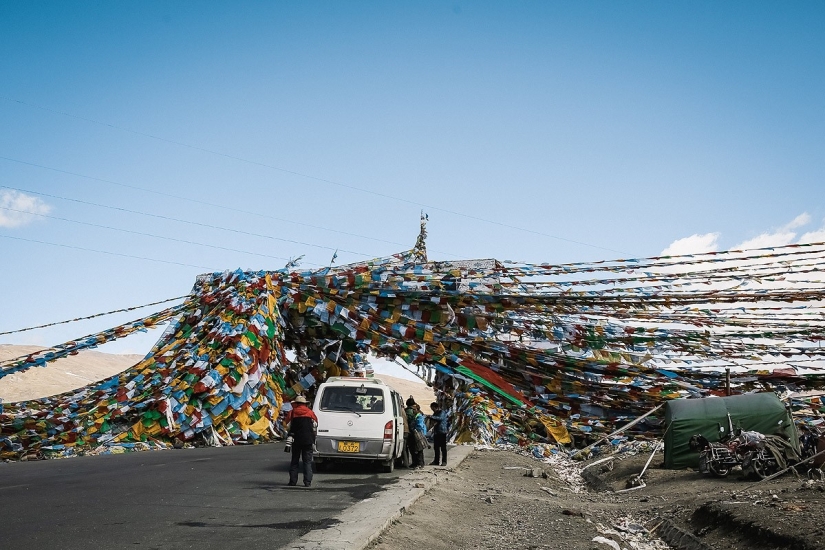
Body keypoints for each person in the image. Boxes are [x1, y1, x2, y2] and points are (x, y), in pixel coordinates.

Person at [286, 395, 318, 487]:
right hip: (308, 440)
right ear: (305, 404)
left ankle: (293, 481)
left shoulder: (292, 413)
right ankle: (307, 482)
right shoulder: (310, 413)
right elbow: (315, 425)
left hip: (296, 440)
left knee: (294, 460)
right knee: (307, 461)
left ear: (296, 404)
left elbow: (287, 425)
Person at [429, 401, 448, 466]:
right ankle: (436, 461)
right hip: (436, 432)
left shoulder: (442, 412)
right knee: (436, 447)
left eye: (433, 408)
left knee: (443, 448)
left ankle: (444, 461)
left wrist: (431, 417)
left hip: (442, 432)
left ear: (436, 407)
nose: (433, 410)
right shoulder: (435, 413)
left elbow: (440, 418)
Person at [411, 403, 428, 469]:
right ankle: (418, 463)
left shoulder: (419, 417)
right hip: (418, 433)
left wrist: (414, 428)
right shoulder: (417, 416)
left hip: (419, 434)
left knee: (419, 450)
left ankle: (420, 464)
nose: (413, 411)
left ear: (417, 410)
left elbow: (419, 426)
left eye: (414, 409)